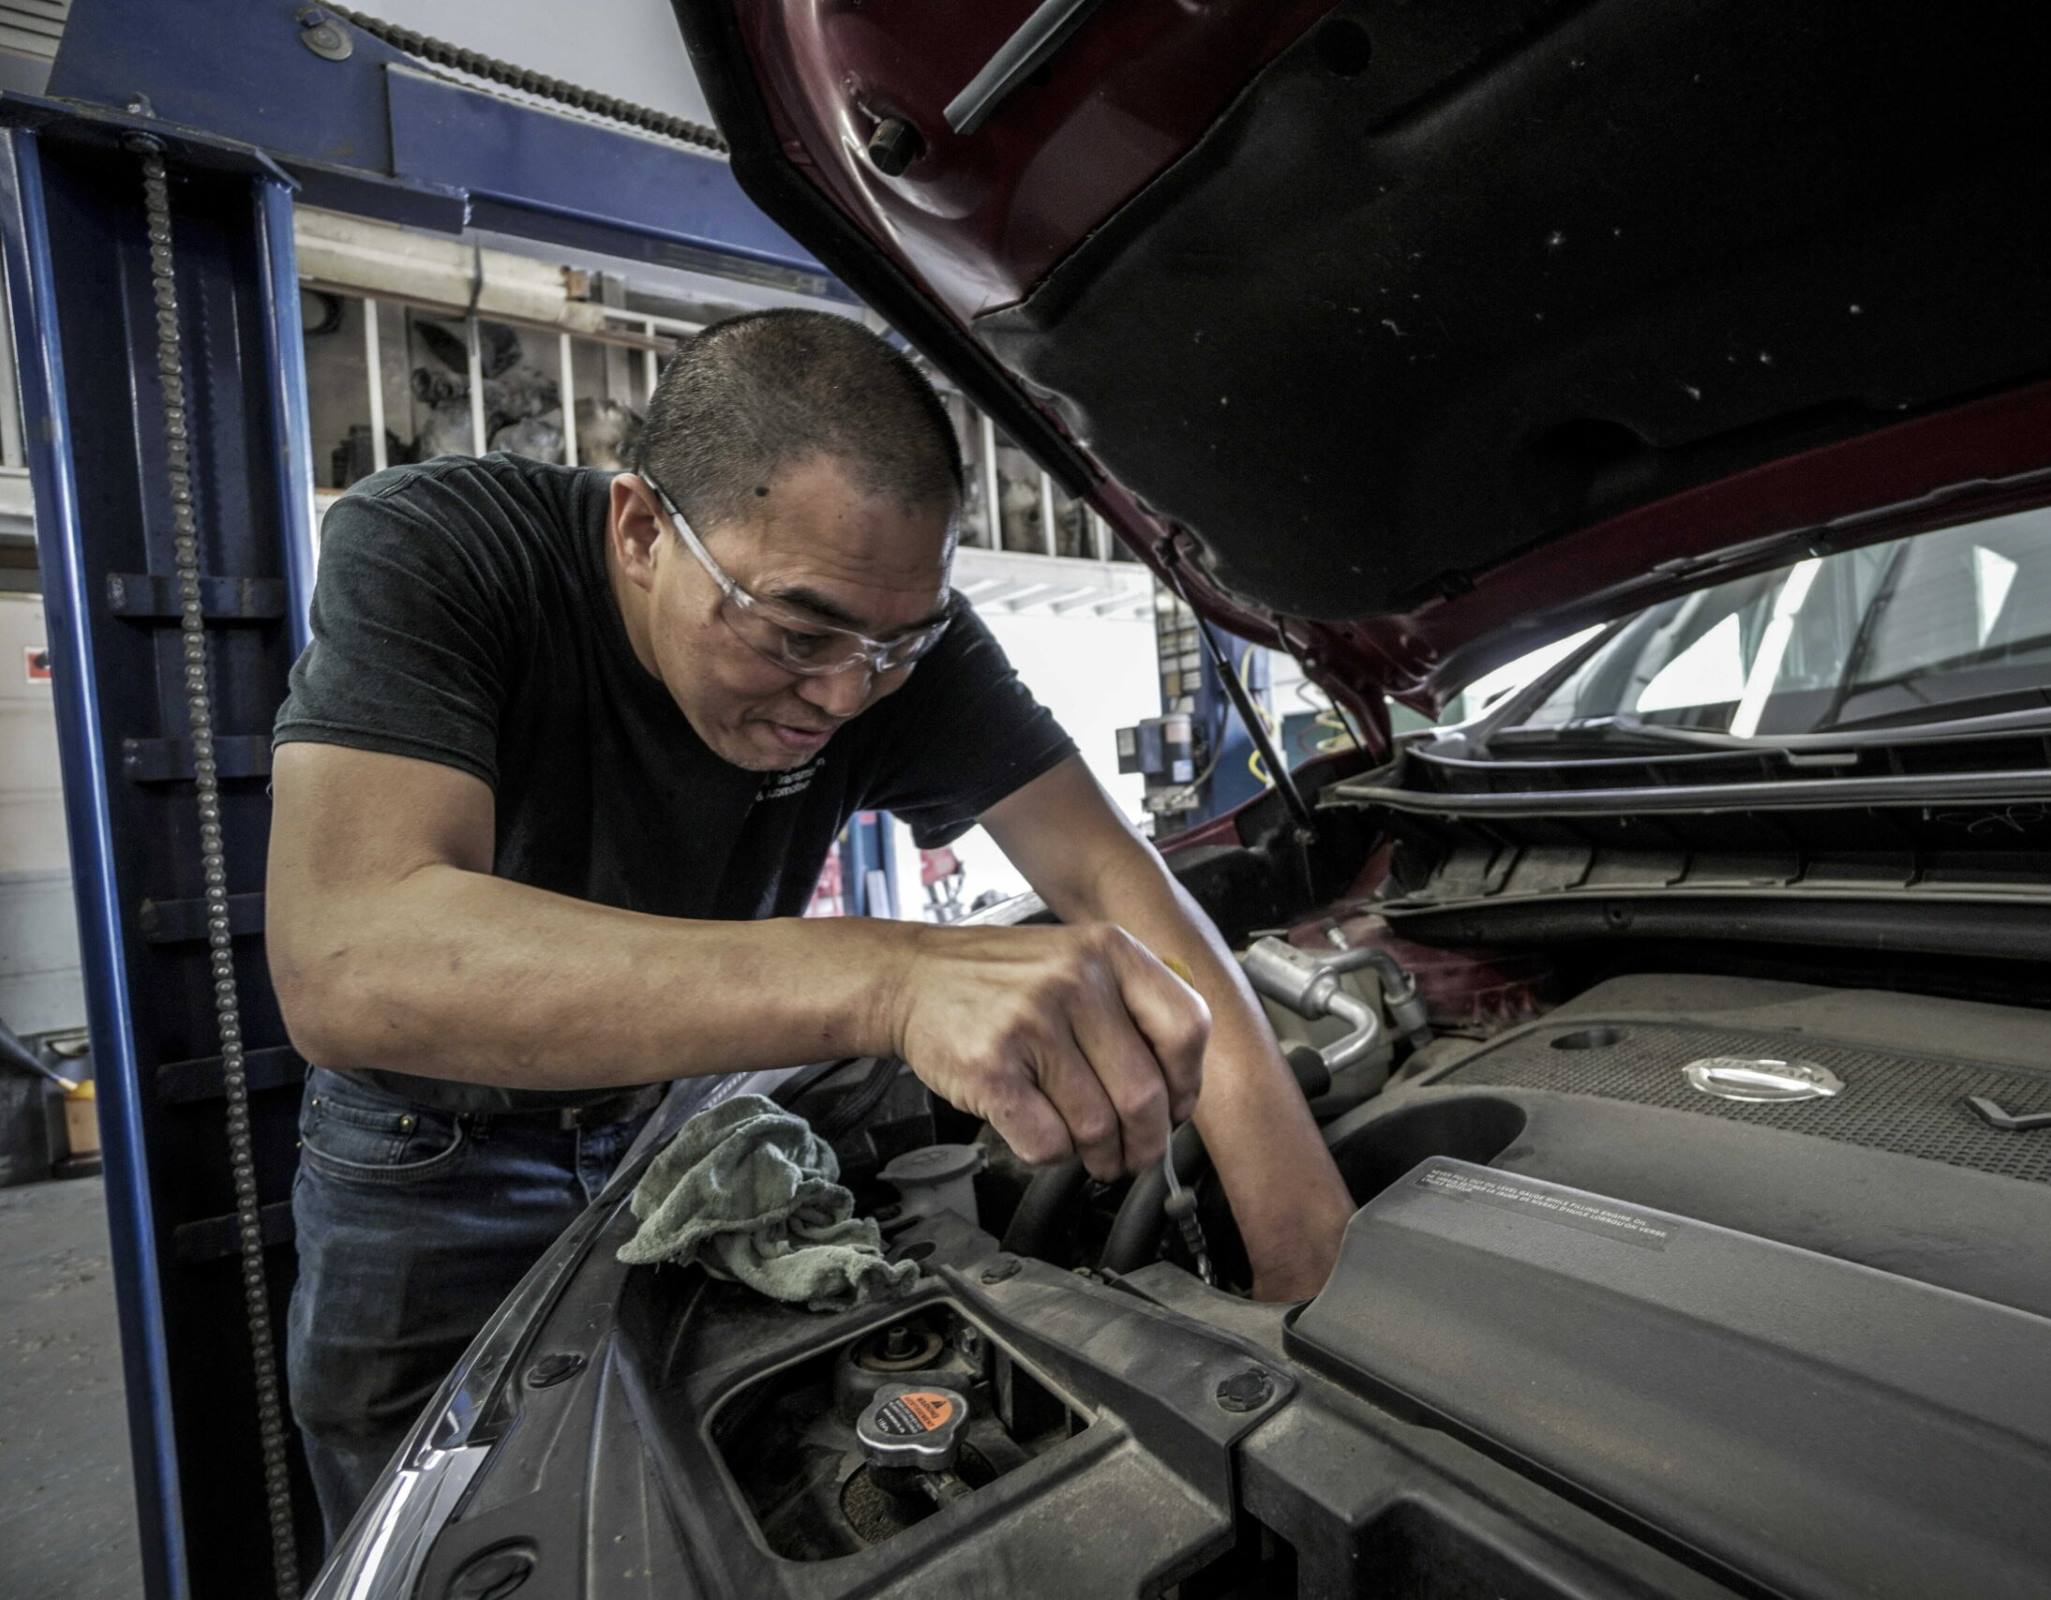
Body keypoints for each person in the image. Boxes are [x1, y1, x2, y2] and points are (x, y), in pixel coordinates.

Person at [264, 309, 1355, 1544]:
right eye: (796, 634)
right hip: (432, 1156)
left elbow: (1115, 882)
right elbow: (351, 957)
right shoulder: (445, 548)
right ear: (638, 529)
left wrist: (1305, 1258)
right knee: (436, 1534)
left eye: (898, 643)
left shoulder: (890, 643)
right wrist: (890, 979)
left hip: (686, 1124)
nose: (845, 692)